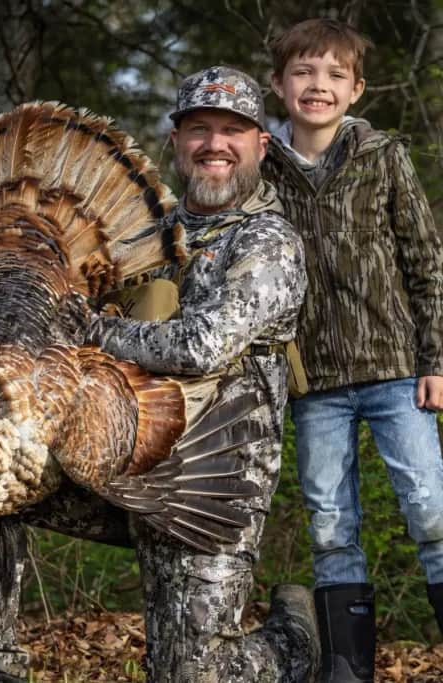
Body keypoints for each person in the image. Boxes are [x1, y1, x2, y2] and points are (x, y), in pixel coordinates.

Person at [0, 67, 319, 683]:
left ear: (261, 144)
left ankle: (297, 641)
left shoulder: (269, 241)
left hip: (210, 479)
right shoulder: (143, 229)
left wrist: (93, 328)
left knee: (190, 674)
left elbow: (202, 346)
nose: (214, 144)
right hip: (115, 457)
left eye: (233, 131)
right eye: (199, 128)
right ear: (176, 140)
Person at [262, 18, 443, 682]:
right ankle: (346, 668)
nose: (318, 85)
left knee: (431, 509)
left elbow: (425, 261)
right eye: (304, 72)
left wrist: (436, 362)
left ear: (357, 89)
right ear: (280, 84)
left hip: (397, 368)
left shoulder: (383, 154)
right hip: (314, 384)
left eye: (335, 74)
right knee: (331, 524)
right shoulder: (263, 165)